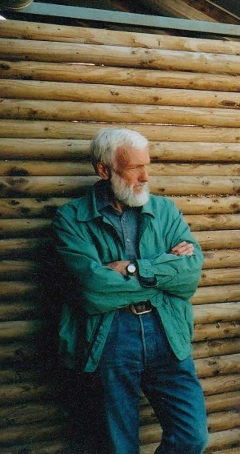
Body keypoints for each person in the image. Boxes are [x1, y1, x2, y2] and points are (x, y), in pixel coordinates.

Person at [52, 128, 208, 454]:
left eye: (146, 165)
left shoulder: (165, 211)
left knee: (192, 436)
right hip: (110, 336)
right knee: (117, 446)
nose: (145, 176)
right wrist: (162, 272)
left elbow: (189, 274)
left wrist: (132, 269)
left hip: (166, 331)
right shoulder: (71, 218)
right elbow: (93, 288)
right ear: (103, 170)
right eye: (134, 168)